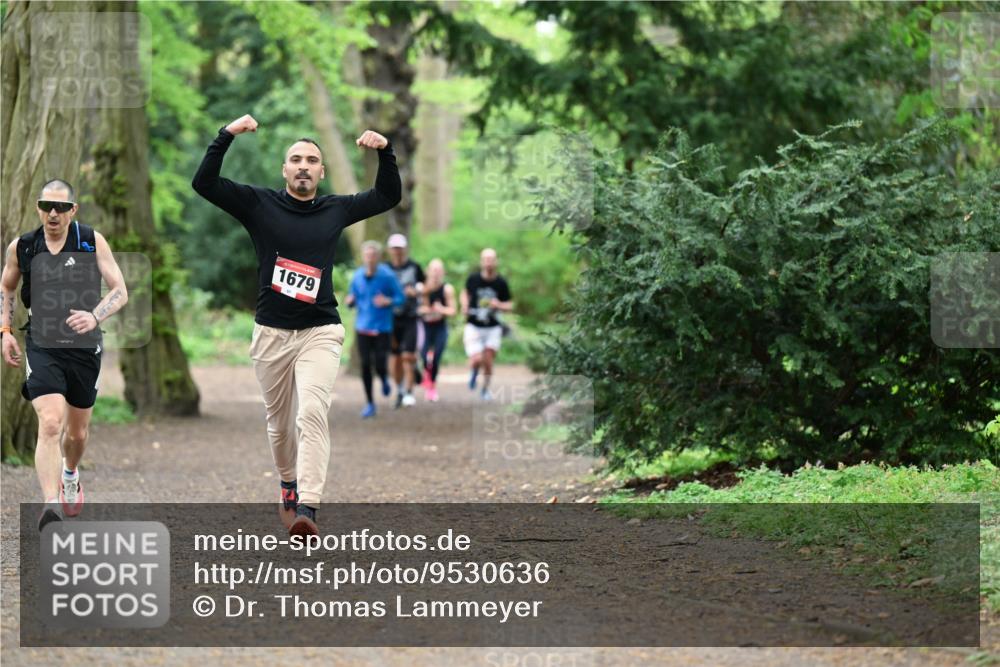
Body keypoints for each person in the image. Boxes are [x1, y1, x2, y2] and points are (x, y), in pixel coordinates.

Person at [192, 114, 401, 536]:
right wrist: (226, 135)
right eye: (296, 159)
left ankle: (309, 507)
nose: (303, 165)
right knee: (279, 423)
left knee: (312, 413)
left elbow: (387, 195)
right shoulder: (258, 204)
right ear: (285, 169)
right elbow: (205, 183)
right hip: (271, 332)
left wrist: (386, 151)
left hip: (320, 330)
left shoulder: (335, 209)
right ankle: (288, 481)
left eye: (311, 160)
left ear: (321, 172)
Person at [0, 179, 129, 531]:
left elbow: (120, 290)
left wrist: (94, 316)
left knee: (77, 434)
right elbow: (7, 287)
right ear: (39, 208)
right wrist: (6, 332)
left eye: (60, 207)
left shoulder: (90, 240)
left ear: (73, 209)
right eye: (46, 206)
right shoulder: (24, 247)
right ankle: (51, 503)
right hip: (42, 344)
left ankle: (70, 475)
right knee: (51, 422)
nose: (52, 213)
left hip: (85, 348)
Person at [345, 240, 403, 419]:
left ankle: (384, 378)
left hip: (382, 327)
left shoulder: (388, 276)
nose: (369, 258)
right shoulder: (357, 275)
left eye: (373, 255)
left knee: (379, 363)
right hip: (363, 327)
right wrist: (350, 301)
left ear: (378, 257)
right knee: (364, 366)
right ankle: (370, 403)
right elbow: (351, 297)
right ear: (363, 257)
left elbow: (400, 298)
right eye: (367, 255)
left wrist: (389, 301)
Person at [460, 248, 513, 401]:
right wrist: (464, 306)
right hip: (474, 326)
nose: (489, 262)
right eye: (486, 259)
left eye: (492, 259)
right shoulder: (473, 279)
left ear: (496, 262)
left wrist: (499, 305)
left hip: (493, 327)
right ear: (482, 262)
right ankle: (474, 372)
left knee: (488, 360)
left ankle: (485, 389)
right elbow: (465, 293)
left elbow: (509, 305)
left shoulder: (501, 282)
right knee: (477, 359)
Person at [385, 233, 425, 408]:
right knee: (395, 358)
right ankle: (400, 389)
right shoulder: (384, 269)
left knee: (408, 355)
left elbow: (425, 285)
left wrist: (416, 291)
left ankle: (409, 392)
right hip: (390, 318)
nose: (397, 251)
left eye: (400, 248)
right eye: (394, 248)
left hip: (410, 316)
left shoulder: (414, 267)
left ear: (405, 249)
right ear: (390, 250)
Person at [417, 259, 456, 402]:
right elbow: (415, 308)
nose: (435, 273)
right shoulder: (421, 288)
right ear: (428, 271)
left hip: (440, 326)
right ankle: (426, 378)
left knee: (437, 357)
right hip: (424, 327)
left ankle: (432, 386)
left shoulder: (447, 289)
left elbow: (453, 310)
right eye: (433, 270)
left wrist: (441, 309)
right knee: (423, 355)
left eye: (439, 270)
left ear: (443, 272)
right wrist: (424, 310)